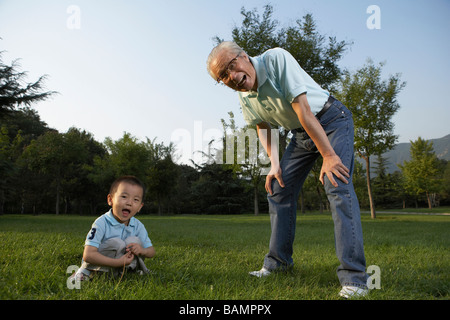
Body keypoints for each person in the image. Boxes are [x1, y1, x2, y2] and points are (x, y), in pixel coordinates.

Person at [207, 41, 369, 298]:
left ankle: (356, 279)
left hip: (331, 121)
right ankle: (278, 264)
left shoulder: (276, 59)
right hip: (302, 134)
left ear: (244, 57)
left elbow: (304, 111)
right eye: (223, 77)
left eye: (231, 67)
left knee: (337, 184)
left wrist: (328, 155)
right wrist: (274, 165)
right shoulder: (244, 94)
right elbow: (263, 127)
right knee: (278, 189)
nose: (232, 77)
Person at [69, 175, 155, 282]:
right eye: (124, 197)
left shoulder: (138, 225)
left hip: (124, 264)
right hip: (101, 265)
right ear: (110, 200)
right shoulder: (101, 223)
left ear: (140, 207)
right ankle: (87, 273)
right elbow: (88, 255)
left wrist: (142, 250)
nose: (129, 202)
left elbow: (151, 251)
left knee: (134, 241)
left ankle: (130, 270)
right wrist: (118, 262)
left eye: (136, 200)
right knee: (117, 243)